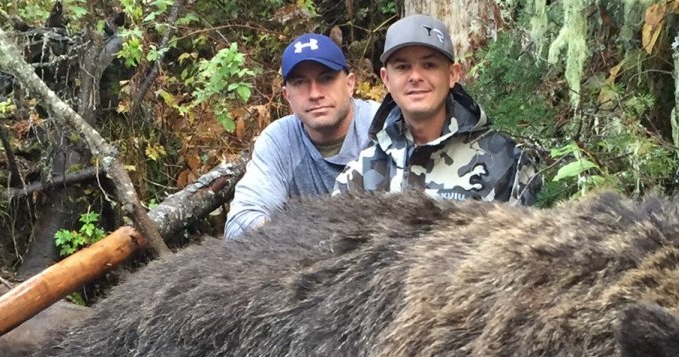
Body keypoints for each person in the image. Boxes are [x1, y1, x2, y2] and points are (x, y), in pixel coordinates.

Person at [334, 15, 540, 205]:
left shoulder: (506, 161)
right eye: (402, 67)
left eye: (429, 65)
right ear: (386, 79)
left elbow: (531, 242)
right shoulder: (361, 173)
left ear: (453, 74)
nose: (415, 77)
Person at [225, 33, 379, 239]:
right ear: (287, 96)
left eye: (326, 78)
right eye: (300, 82)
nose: (314, 93)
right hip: (305, 258)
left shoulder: (383, 127)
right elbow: (239, 224)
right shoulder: (280, 140)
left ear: (350, 84)